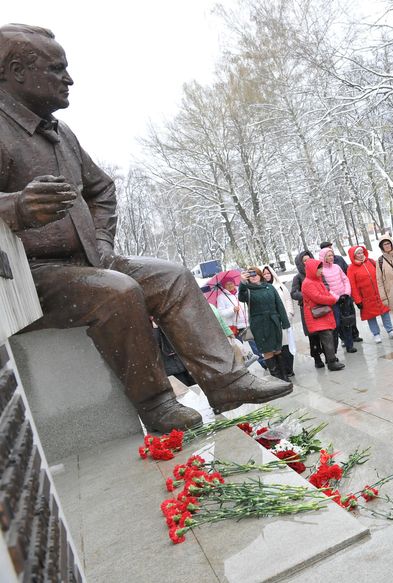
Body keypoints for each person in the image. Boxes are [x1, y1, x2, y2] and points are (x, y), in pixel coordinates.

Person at [0, 24, 290, 432]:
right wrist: (15, 206)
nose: (69, 79)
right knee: (117, 292)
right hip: (28, 277)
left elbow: (101, 189)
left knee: (171, 277)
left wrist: (101, 241)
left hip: (88, 261)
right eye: (56, 69)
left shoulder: (60, 133)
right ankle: (156, 405)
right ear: (16, 71)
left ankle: (227, 382)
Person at [238, 267, 291, 381]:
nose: (253, 276)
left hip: (273, 322)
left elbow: (279, 305)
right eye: (251, 275)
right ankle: (276, 379)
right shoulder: (247, 290)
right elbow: (241, 297)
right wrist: (242, 282)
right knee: (267, 351)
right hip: (259, 325)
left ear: (260, 275)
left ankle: (285, 376)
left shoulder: (269, 287)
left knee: (278, 349)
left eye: (255, 274)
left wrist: (285, 322)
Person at [300, 258, 345, 372]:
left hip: (321, 314)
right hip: (317, 315)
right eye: (319, 268)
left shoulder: (316, 280)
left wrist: (330, 297)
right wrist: (333, 299)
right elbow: (318, 298)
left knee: (328, 337)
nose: (321, 270)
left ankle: (331, 359)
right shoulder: (308, 283)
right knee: (327, 338)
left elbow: (324, 293)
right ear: (312, 270)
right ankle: (331, 362)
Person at [347, 245, 393, 343]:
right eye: (358, 254)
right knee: (371, 316)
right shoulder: (351, 268)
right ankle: (376, 334)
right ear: (353, 255)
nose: (360, 255)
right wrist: (357, 300)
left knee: (385, 312)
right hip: (366, 297)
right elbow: (353, 286)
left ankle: (390, 330)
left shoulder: (371, 262)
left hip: (378, 293)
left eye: (361, 252)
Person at [290, 250, 327, 369]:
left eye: (309, 259)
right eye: (304, 260)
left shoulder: (318, 273)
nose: (307, 262)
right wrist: (308, 295)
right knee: (313, 335)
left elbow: (326, 285)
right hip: (308, 310)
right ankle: (317, 357)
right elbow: (294, 293)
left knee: (324, 333)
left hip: (321, 306)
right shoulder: (298, 277)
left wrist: (321, 294)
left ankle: (328, 354)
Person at [318, 247, 357, 353]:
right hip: (333, 302)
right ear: (323, 257)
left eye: (332, 255)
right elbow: (325, 287)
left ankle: (350, 345)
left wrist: (346, 293)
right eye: (329, 256)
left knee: (347, 322)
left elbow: (345, 279)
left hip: (345, 298)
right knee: (337, 324)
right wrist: (336, 297)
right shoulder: (321, 271)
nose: (331, 257)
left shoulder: (337, 267)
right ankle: (335, 348)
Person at [262, 265, 295, 377]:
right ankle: (283, 369)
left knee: (287, 345)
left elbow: (288, 300)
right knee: (278, 347)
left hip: (285, 319)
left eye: (268, 273)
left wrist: (289, 313)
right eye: (264, 274)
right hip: (273, 322)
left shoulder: (280, 286)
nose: (266, 276)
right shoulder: (262, 289)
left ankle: (289, 368)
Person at [376, 235, 393, 312]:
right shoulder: (380, 261)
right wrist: (384, 298)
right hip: (392, 297)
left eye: (388, 243)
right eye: (385, 244)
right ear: (381, 247)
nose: (387, 246)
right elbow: (379, 281)